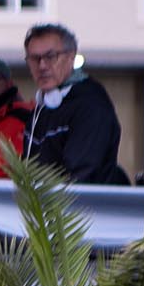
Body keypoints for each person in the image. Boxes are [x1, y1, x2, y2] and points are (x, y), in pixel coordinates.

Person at [20, 23, 126, 185]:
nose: (42, 66)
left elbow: (81, 177)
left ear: (71, 56)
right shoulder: (42, 107)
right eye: (34, 59)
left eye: (50, 56)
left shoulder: (91, 106)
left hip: (77, 201)